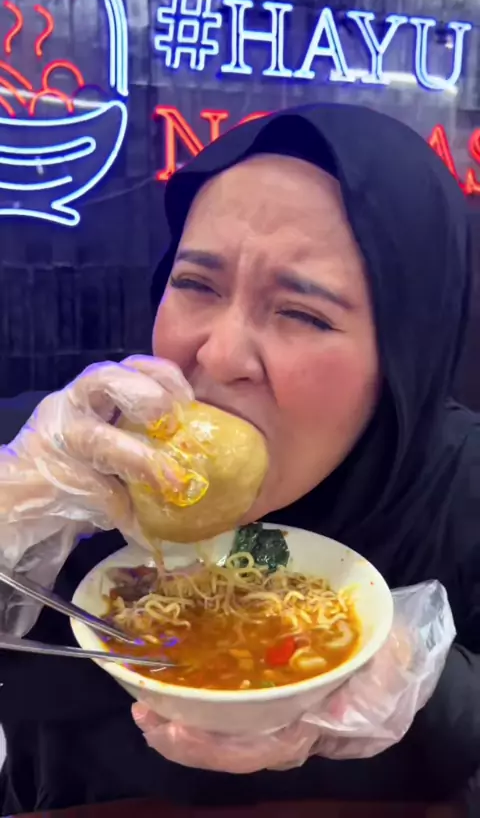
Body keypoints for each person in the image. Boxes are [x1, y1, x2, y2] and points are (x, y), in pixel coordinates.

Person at [0, 103, 479, 814]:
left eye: (303, 314)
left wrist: (429, 687)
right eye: (196, 285)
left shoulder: (461, 490)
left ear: (405, 359)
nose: (219, 355)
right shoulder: (67, 455)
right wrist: (13, 508)